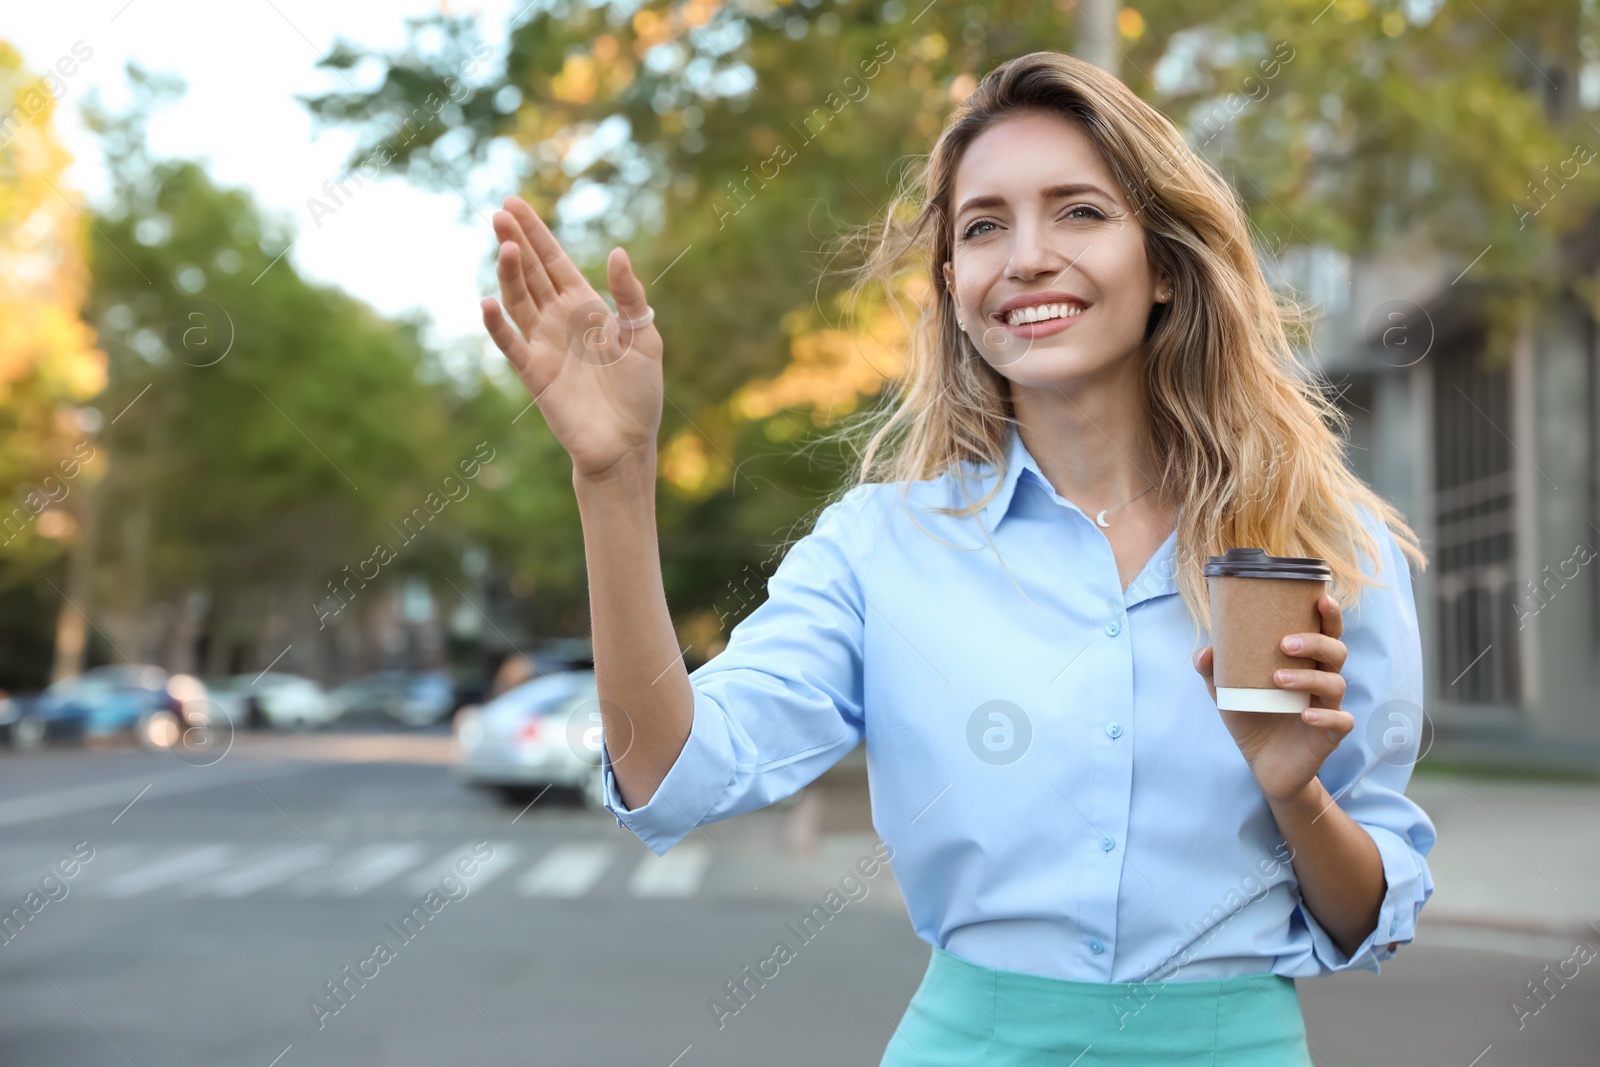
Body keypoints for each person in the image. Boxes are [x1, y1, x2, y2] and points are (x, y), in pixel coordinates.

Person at [480, 49, 1436, 1067]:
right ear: (953, 287)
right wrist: (616, 478)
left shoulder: (1321, 542)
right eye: (983, 227)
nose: (1025, 257)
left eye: (1077, 211)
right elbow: (670, 772)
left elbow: (1365, 912)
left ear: (1162, 262)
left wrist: (1298, 792)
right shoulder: (876, 547)